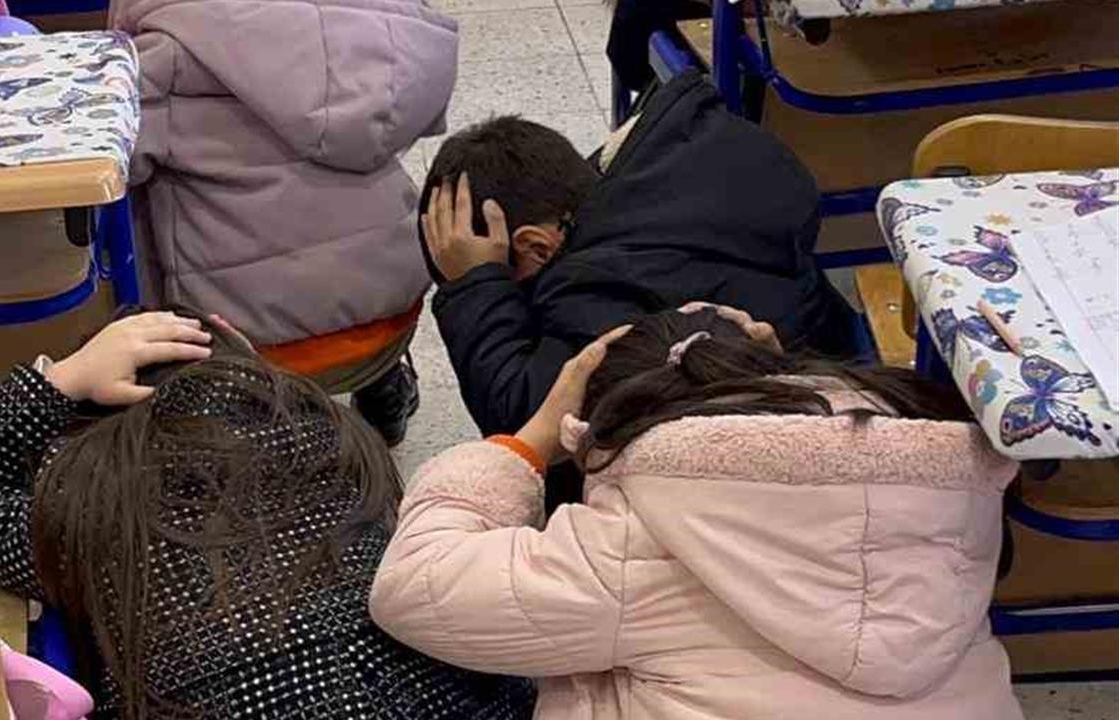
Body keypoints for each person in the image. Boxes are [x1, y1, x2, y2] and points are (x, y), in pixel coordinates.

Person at [370, 306, 1024, 720]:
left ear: (606, 424)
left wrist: (530, 441)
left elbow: (414, 585)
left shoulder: (637, 542)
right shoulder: (941, 474)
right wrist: (790, 379)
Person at [0, 309, 535, 720]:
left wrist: (62, 379)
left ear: (93, 429)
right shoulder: (336, 440)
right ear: (238, 349)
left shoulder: (94, 512)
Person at [419, 71, 860, 440]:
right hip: (832, 380)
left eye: (504, 273)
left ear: (537, 246)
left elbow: (525, 431)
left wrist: (475, 287)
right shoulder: (672, 167)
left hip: (778, 443)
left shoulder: (603, 286)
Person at [113, 0, 461, 446]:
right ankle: (384, 391)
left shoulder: (163, 57)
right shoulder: (377, 26)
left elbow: (113, 170)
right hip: (394, 313)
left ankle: (252, 437)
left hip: (253, 348)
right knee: (360, 212)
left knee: (141, 215)